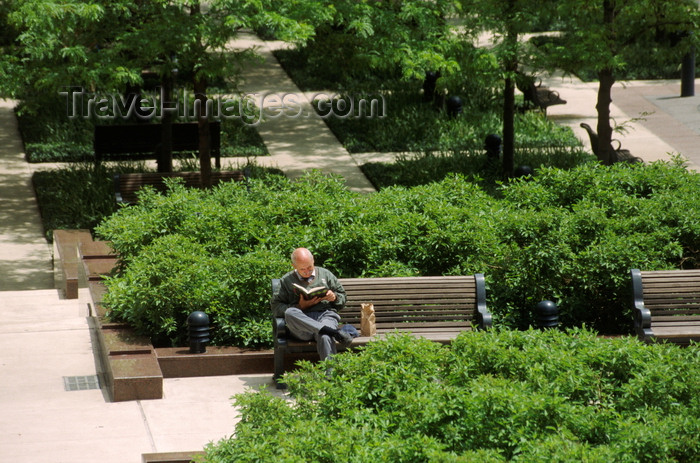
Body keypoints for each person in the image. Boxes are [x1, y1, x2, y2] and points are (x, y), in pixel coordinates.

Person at [271, 247, 352, 361]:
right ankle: (332, 332)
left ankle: (330, 376)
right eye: (302, 269)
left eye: (309, 267)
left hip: (325, 315)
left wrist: (334, 297)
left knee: (325, 336)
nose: (307, 271)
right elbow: (276, 308)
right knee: (290, 312)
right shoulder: (286, 280)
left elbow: (343, 298)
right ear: (294, 266)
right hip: (302, 326)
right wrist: (300, 306)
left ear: (313, 260)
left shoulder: (326, 274)